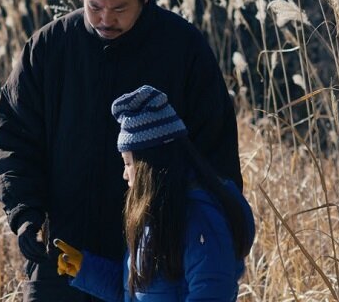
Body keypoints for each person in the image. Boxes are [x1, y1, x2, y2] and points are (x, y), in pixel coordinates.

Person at [0, 0, 242, 302]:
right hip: (63, 254)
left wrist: (206, 232)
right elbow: (13, 139)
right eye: (94, 7)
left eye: (120, 8)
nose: (106, 19)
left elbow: (214, 153)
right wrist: (25, 213)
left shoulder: (183, 48)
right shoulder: (48, 48)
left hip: (155, 256)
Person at [54, 85, 255, 301]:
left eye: (128, 163)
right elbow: (134, 294)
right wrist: (86, 270)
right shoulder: (156, 217)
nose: (124, 174)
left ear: (147, 166)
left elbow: (213, 294)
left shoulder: (201, 219)